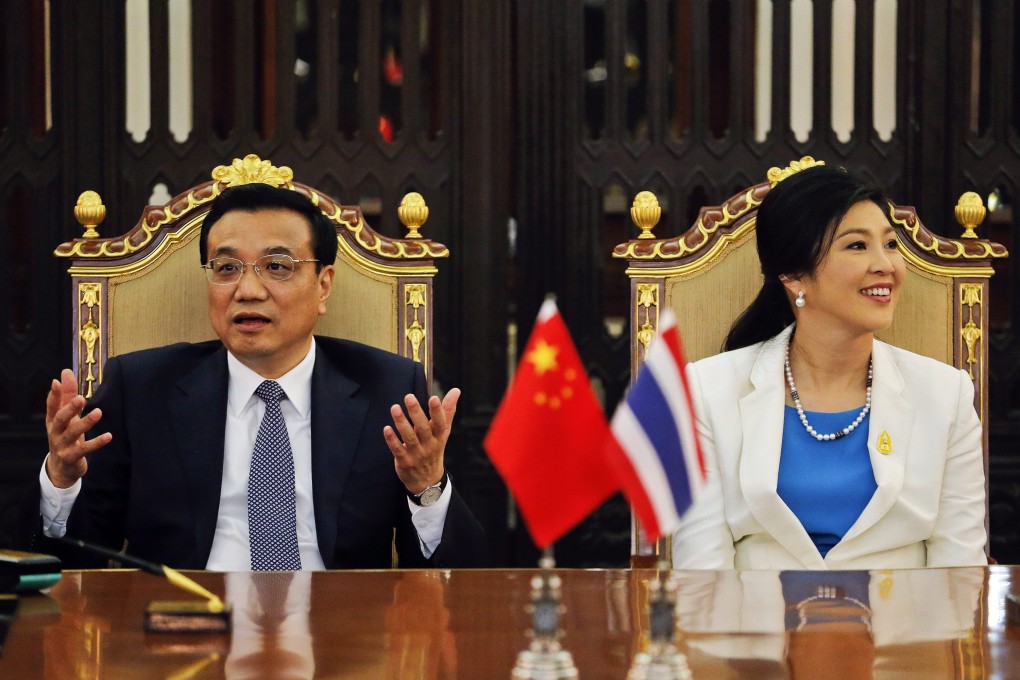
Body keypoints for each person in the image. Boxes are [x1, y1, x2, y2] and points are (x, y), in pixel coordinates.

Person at [20, 183, 486, 570]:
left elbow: (454, 576)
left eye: (277, 267)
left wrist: (427, 486)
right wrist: (61, 480)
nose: (247, 290)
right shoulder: (141, 388)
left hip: (340, 638)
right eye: (226, 268)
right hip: (181, 633)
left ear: (323, 285)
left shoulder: (387, 388)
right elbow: (72, 562)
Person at [673, 165, 987, 570]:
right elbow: (701, 569)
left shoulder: (947, 393)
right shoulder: (706, 390)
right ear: (792, 275)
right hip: (754, 626)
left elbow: (960, 568)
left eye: (890, 245)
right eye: (857, 246)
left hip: (903, 628)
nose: (885, 266)